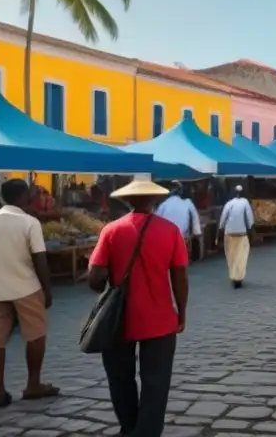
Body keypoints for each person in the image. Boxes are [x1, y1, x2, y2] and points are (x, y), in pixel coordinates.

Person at [88, 176, 188, 437]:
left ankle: (129, 426)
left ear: (128, 200)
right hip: (160, 318)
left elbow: (95, 279)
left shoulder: (111, 230)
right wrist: (182, 311)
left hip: (119, 318)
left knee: (120, 378)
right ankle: (148, 432)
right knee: (156, 382)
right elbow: (179, 276)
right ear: (155, 200)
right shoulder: (170, 231)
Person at [0, 179, 56, 409]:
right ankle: (33, 384)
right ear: (23, 196)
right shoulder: (29, 222)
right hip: (26, 286)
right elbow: (40, 259)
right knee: (35, 335)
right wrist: (47, 290)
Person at [217, 186, 254, 288]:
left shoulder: (228, 204)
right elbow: (250, 220)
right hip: (242, 234)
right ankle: (238, 278)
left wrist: (219, 234)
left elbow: (222, 221)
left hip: (229, 234)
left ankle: (233, 276)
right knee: (241, 257)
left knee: (231, 257)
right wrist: (251, 234)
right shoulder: (245, 202)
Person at [155, 183, 203, 260]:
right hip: (183, 236)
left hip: (167, 236)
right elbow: (195, 217)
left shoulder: (163, 205)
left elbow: (155, 220)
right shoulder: (187, 203)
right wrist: (197, 232)